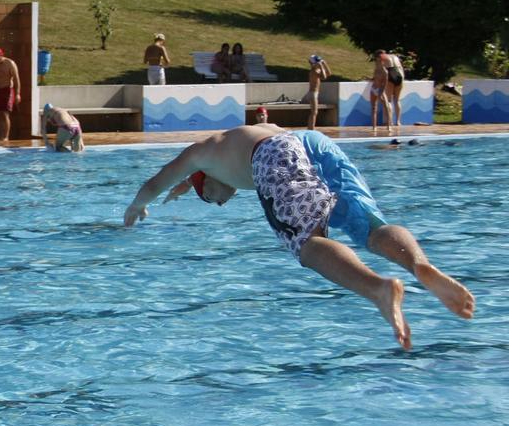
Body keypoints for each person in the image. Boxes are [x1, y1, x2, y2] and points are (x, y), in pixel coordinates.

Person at [123, 124, 476, 350]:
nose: (217, 204)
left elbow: (156, 181)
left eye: (210, 199)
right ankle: (420, 265)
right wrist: (185, 188)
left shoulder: (199, 152)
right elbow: (191, 180)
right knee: (369, 227)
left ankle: (378, 289)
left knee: (306, 243)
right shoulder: (222, 151)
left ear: (203, 178)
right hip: (311, 141)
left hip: (275, 153)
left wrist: (136, 207)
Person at [0, 47, 21, 141]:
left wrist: (18, 94)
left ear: (2, 54)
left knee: (5, 114)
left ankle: (6, 137)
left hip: (8, 90)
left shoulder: (10, 63)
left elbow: (17, 79)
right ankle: (1, 136)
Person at [378, 50, 405, 129]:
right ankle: (398, 121)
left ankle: (390, 121)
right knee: (397, 99)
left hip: (390, 73)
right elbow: (402, 69)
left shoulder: (382, 57)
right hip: (400, 74)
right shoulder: (395, 57)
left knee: (388, 100)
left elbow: (381, 70)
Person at [306, 55, 330, 130]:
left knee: (314, 112)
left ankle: (311, 129)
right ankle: (311, 129)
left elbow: (328, 73)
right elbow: (324, 77)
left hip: (314, 94)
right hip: (313, 94)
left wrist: (325, 64)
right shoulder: (313, 71)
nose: (319, 63)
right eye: (318, 62)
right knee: (314, 112)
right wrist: (321, 66)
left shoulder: (317, 70)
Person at [369, 53, 390, 132]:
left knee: (386, 107)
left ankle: (389, 125)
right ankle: (374, 127)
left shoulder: (385, 71)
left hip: (380, 89)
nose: (376, 61)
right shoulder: (376, 69)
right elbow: (374, 78)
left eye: (378, 60)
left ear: (381, 61)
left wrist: (381, 92)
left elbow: (385, 83)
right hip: (373, 88)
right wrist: (370, 78)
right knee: (374, 108)